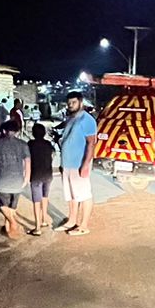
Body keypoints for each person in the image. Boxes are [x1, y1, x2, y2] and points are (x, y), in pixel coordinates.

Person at [53, 90, 98, 236]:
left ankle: (84, 225)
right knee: (71, 195)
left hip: (79, 165)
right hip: (67, 164)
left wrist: (85, 165)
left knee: (83, 194)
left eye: (73, 102)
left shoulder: (87, 120)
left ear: (80, 102)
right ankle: (72, 221)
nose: (71, 105)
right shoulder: (71, 118)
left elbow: (91, 143)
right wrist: (62, 164)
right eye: (69, 103)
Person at [0, 118, 31, 238]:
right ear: (17, 131)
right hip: (18, 182)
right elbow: (27, 162)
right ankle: (8, 228)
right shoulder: (22, 144)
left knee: (2, 206)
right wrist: (26, 178)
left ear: (5, 130)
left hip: (1, 181)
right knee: (11, 207)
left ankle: (13, 224)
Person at [26, 122, 55, 236]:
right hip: (48, 174)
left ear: (33, 133)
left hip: (36, 175)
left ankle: (37, 227)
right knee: (45, 197)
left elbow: (26, 158)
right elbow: (52, 155)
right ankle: (44, 220)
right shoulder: (48, 144)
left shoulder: (30, 144)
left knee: (36, 201)